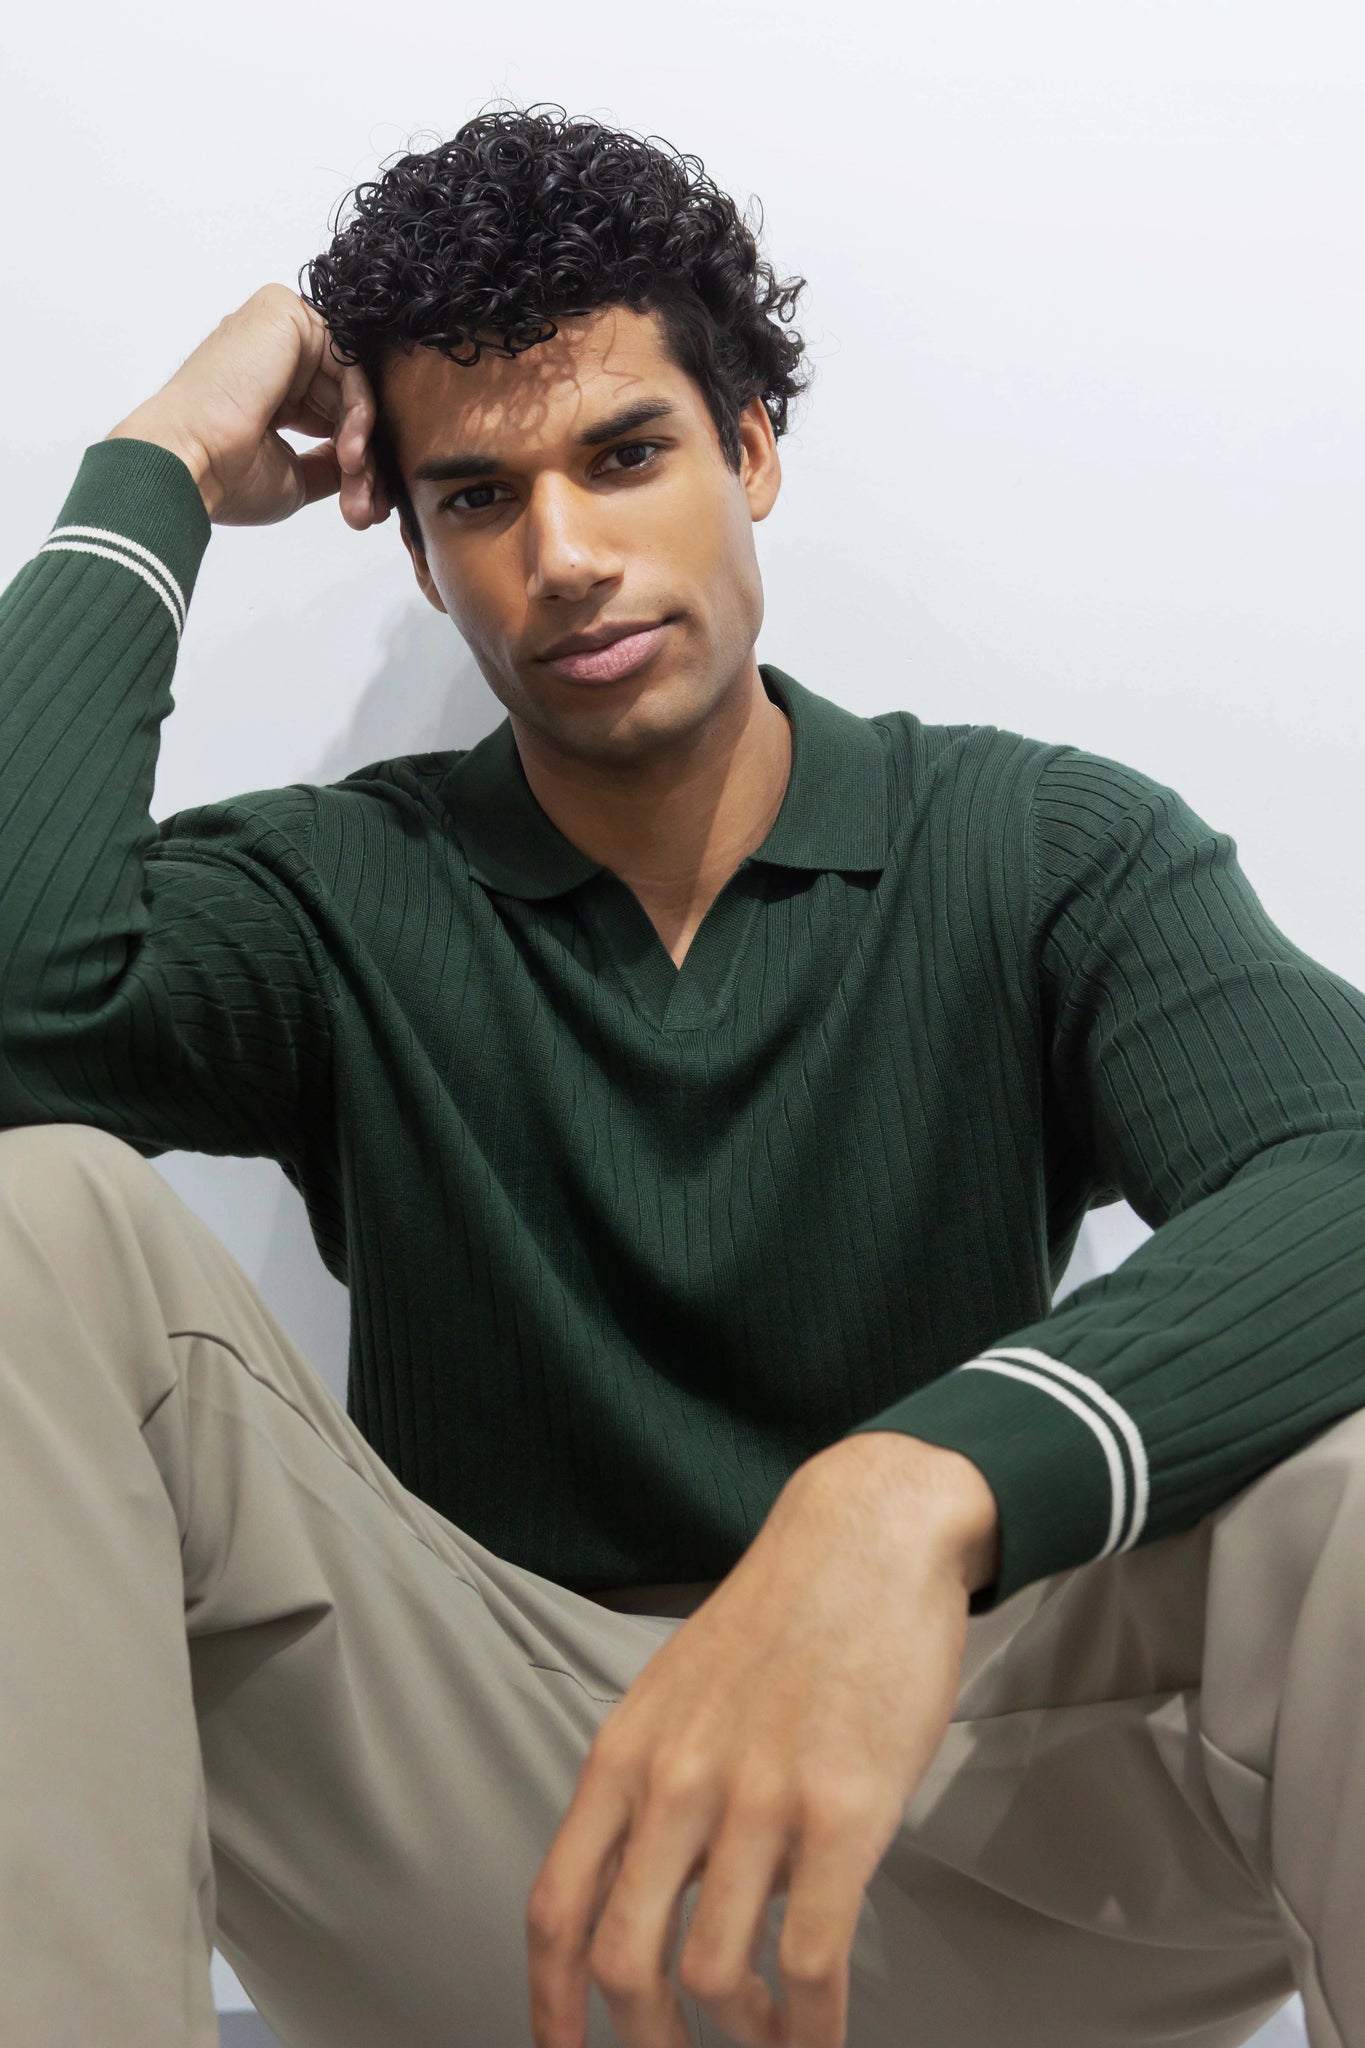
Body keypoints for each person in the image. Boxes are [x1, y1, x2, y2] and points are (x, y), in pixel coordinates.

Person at [1, 102, 1362, 2048]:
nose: (562, 556)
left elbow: (1341, 1164)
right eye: (478, 496)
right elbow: (19, 998)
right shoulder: (343, 891)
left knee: (1349, 1473)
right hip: (493, 1834)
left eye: (624, 454)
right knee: (29, 1217)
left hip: (960, 1821)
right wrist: (159, 461)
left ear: (750, 450)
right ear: (420, 551)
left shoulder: (1040, 849)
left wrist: (911, 1492)